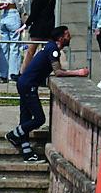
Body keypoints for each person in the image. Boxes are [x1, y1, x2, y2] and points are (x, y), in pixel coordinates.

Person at [6, 26, 89, 162]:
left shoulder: (50, 47)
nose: (70, 37)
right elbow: (58, 72)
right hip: (28, 85)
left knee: (25, 119)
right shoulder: (53, 49)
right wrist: (78, 72)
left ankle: (27, 153)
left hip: (24, 83)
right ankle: (13, 134)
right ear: (61, 38)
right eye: (67, 35)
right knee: (39, 119)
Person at [20, 0, 56, 72]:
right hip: (49, 25)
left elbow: (34, 14)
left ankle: (23, 72)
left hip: (39, 27)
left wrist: (26, 24)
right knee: (47, 51)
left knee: (31, 52)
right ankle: (45, 71)